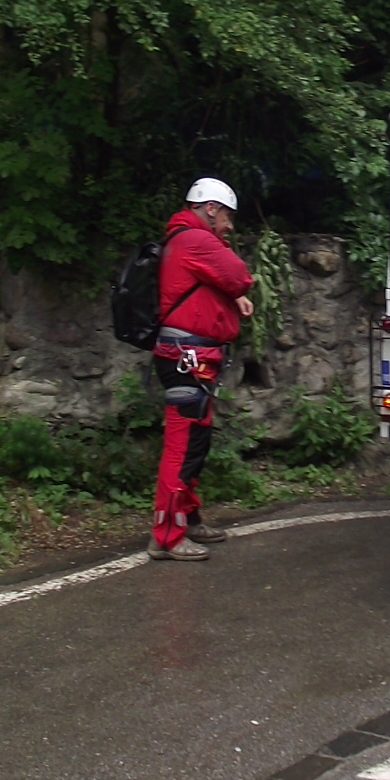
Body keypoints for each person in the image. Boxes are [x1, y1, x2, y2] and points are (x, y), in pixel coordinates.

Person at [148, 177, 255, 562]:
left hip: (194, 358)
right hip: (187, 359)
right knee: (182, 446)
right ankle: (167, 536)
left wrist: (234, 297)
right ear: (211, 208)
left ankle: (189, 519)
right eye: (227, 216)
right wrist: (237, 289)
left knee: (196, 442)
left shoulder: (185, 241)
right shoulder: (195, 240)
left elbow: (221, 283)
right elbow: (239, 275)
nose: (229, 226)